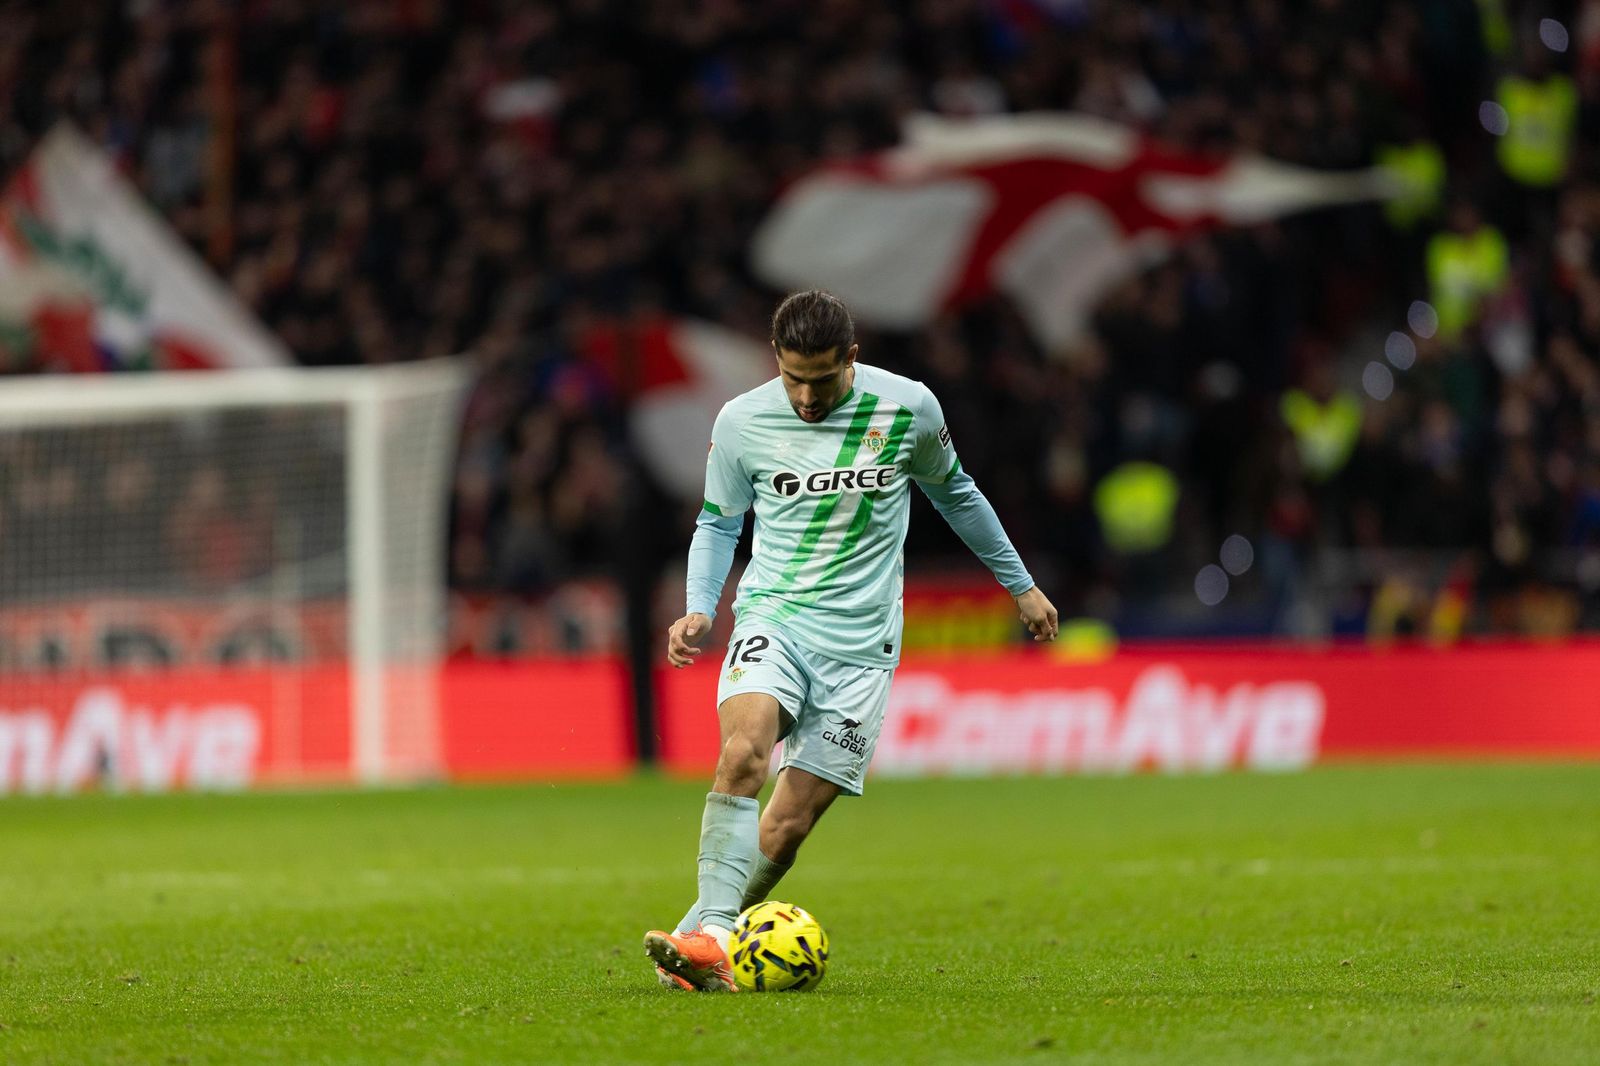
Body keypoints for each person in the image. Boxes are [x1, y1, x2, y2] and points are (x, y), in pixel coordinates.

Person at [643, 290, 1058, 991]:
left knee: (786, 828)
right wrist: (699, 609)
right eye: (793, 376)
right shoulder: (743, 420)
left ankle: (698, 944)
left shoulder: (907, 408)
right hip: (775, 619)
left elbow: (955, 493)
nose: (806, 395)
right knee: (743, 754)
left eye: (823, 378)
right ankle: (716, 936)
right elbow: (717, 523)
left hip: (862, 651)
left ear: (852, 360)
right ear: (776, 361)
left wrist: (1020, 584)